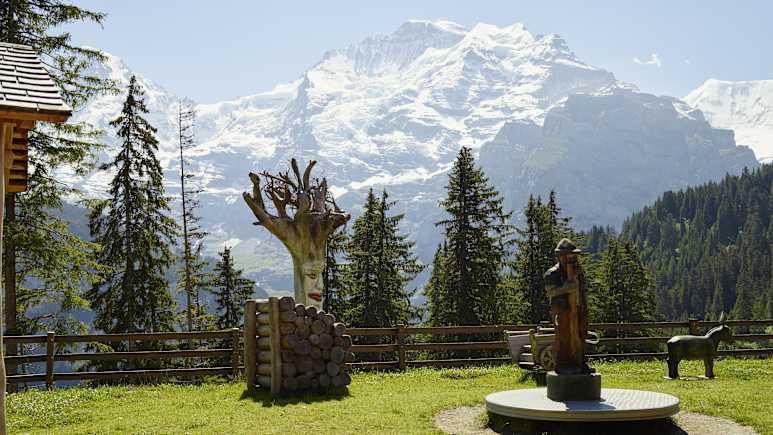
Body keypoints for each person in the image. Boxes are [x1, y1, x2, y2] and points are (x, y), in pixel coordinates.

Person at [543, 238, 592, 374]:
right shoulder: (552, 273)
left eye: (574, 255)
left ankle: (580, 361)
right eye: (569, 255)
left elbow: (583, 289)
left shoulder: (579, 272)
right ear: (561, 256)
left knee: (581, 334)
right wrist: (565, 288)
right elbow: (550, 292)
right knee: (563, 335)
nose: (573, 258)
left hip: (580, 308)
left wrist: (584, 305)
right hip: (562, 310)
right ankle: (562, 363)